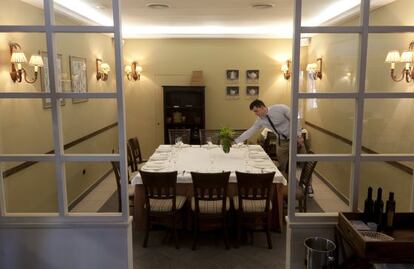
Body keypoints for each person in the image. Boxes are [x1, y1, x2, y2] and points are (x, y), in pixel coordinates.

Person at [234, 99, 304, 176]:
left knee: (304, 162)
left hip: (295, 138)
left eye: (256, 111)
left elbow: (295, 119)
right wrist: (236, 141)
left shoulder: (280, 108)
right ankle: (286, 184)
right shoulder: (260, 120)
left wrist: (299, 135)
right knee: (282, 166)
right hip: (281, 142)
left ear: (262, 107)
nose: (255, 114)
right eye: (254, 112)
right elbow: (250, 131)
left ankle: (308, 184)